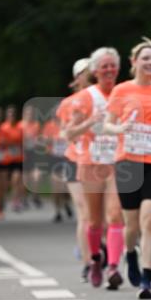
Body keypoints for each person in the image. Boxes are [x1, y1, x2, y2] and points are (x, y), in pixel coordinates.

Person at [105, 38, 151, 299]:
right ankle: (130, 253)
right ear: (134, 62)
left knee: (150, 219)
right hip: (128, 162)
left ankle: (147, 277)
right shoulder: (121, 90)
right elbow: (107, 124)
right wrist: (120, 128)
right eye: (145, 58)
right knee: (131, 224)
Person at [67, 48, 125, 290]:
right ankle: (94, 260)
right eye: (104, 66)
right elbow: (70, 133)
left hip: (118, 161)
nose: (109, 70)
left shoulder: (125, 93)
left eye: (113, 66)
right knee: (94, 221)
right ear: (95, 71)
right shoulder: (85, 97)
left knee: (114, 215)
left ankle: (113, 267)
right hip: (91, 162)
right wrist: (91, 122)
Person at [54, 58, 91, 277]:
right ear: (77, 77)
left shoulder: (105, 98)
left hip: (97, 161)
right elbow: (63, 134)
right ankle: (88, 263)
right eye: (87, 72)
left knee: (100, 215)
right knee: (83, 211)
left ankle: (96, 248)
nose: (92, 75)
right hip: (73, 158)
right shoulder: (69, 103)